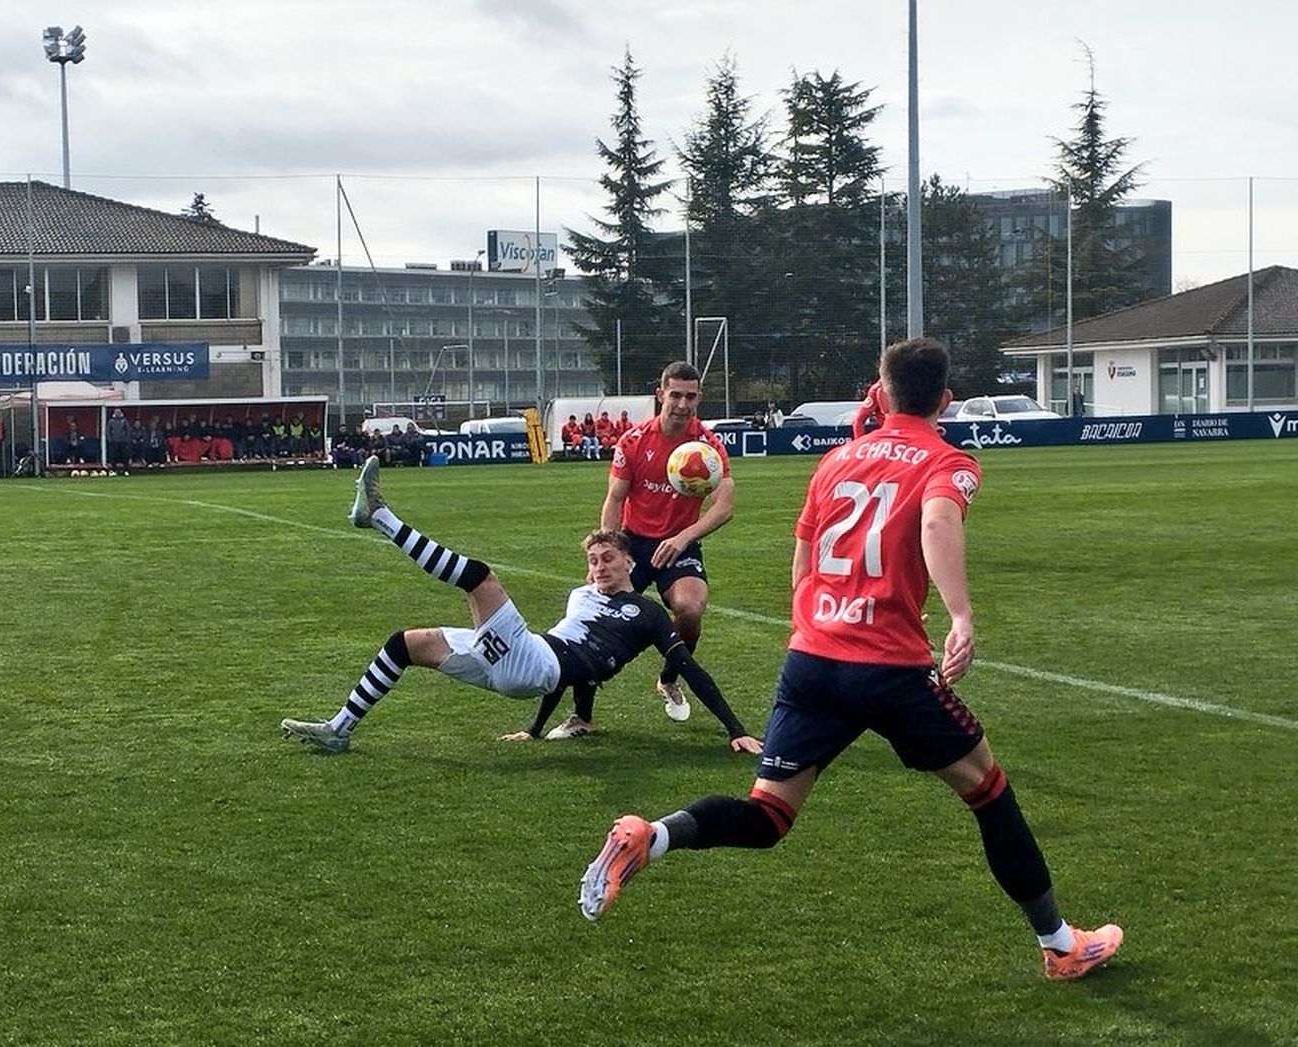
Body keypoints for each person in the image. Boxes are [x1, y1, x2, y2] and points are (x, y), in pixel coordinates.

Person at [578, 337, 1123, 982]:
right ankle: (1061, 945)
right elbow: (938, 524)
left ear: (881, 389)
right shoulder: (948, 460)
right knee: (990, 795)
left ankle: (652, 835)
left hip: (812, 657)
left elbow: (804, 559)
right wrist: (961, 615)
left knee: (769, 814)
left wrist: (815, 621)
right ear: (946, 400)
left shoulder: (835, 460)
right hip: (890, 668)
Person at [280, 456, 761, 755]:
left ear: (629, 562)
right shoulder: (582, 596)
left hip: (533, 663)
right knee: (405, 645)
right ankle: (338, 729)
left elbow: (685, 666)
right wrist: (534, 729)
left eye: (608, 559)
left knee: (480, 578)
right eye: (593, 560)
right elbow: (575, 667)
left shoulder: (648, 612)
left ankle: (380, 516)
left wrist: (734, 730)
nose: (599, 567)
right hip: (527, 661)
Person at [600, 361, 734, 723]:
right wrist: (610, 553)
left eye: (691, 396)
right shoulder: (634, 441)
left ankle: (669, 678)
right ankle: (583, 715)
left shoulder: (707, 447)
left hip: (679, 543)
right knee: (595, 618)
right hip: (634, 543)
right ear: (661, 394)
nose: (682, 404)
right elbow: (615, 499)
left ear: (699, 398)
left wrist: (684, 536)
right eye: (675, 395)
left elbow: (725, 506)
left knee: (690, 610)